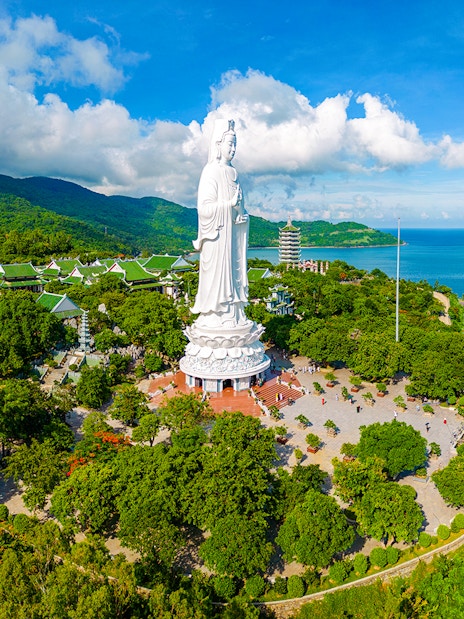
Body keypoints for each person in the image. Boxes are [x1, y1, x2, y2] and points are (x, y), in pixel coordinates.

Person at [191, 119, 249, 327]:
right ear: (218, 145)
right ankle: (215, 315)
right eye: (229, 144)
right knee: (215, 278)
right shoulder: (211, 171)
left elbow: (239, 208)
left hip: (232, 237)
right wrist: (228, 205)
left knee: (234, 277)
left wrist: (241, 218)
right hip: (216, 239)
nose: (233, 149)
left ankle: (234, 313)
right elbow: (204, 209)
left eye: (235, 144)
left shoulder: (234, 173)